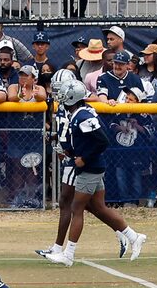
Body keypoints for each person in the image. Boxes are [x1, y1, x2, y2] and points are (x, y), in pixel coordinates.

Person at [40, 67, 145, 265]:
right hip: (88, 165)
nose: (59, 96)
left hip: (90, 167)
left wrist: (84, 158)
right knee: (97, 207)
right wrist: (67, 150)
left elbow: (102, 141)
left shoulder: (83, 116)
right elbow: (83, 140)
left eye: (63, 93)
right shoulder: (78, 113)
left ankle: (68, 254)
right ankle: (133, 236)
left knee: (76, 207)